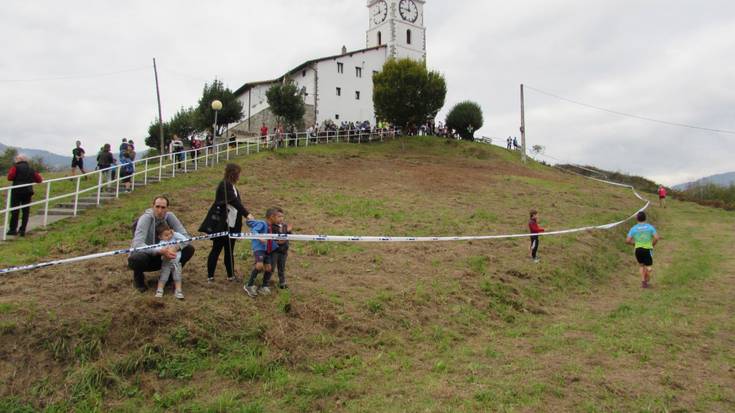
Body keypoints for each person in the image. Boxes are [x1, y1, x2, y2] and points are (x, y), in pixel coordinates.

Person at [128, 196, 196, 292]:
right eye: (157, 206)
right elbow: (137, 245)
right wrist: (159, 250)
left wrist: (176, 247)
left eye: (163, 207)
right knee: (136, 258)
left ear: (167, 208)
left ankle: (170, 278)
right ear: (153, 206)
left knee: (189, 249)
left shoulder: (170, 216)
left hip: (167, 253)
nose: (160, 210)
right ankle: (138, 280)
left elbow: (186, 237)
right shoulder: (145, 218)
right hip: (148, 254)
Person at [204, 163, 253, 282]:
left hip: (233, 224)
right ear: (233, 173)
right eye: (238, 173)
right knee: (216, 249)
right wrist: (247, 214)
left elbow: (235, 205)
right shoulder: (224, 185)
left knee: (229, 250)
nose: (239, 176)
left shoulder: (232, 187)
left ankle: (230, 275)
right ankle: (210, 276)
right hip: (222, 224)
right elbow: (235, 202)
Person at [243, 208, 281, 297]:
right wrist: (260, 238)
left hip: (266, 249)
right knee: (259, 265)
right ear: (272, 217)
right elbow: (254, 230)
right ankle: (249, 285)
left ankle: (264, 286)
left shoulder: (270, 226)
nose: (279, 219)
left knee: (268, 268)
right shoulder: (262, 223)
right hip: (259, 248)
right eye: (278, 217)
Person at [6, 154, 43, 237]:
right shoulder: (31, 169)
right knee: (25, 211)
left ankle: (12, 230)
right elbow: (39, 180)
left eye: (16, 158)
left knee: (15, 210)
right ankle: (22, 230)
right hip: (28, 191)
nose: (15, 160)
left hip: (17, 191)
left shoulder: (15, 167)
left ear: (19, 159)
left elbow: (10, 177)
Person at [153, 222, 188, 299]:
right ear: (160, 237)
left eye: (170, 234)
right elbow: (156, 248)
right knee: (163, 277)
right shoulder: (161, 243)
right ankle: (159, 290)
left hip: (176, 263)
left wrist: (174, 233)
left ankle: (178, 291)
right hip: (166, 264)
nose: (169, 236)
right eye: (166, 235)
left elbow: (185, 240)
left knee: (177, 277)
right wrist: (162, 250)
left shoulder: (175, 240)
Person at [626, 211, 661, 289]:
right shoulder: (650, 227)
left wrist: (634, 244)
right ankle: (648, 271)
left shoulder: (633, 228)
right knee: (647, 265)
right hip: (647, 249)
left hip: (638, 249)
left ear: (637, 219)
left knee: (641, 265)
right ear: (645, 218)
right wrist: (652, 245)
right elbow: (657, 238)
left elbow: (627, 241)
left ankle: (643, 282)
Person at [270, 207, 293, 289]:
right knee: (271, 267)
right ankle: (266, 282)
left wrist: (289, 231)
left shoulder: (285, 226)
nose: (281, 218)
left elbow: (289, 236)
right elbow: (273, 239)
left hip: (283, 251)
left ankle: (282, 283)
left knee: (281, 267)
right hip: (275, 251)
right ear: (273, 217)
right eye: (278, 216)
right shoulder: (271, 227)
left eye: (282, 216)